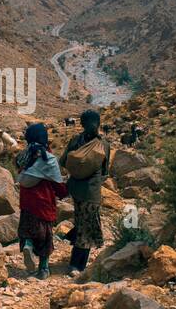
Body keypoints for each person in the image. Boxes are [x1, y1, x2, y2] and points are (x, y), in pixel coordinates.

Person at [61, 108, 111, 277]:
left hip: (75, 189)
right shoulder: (104, 144)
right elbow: (105, 171)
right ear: (98, 123)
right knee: (87, 226)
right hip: (92, 191)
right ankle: (77, 265)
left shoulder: (75, 140)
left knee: (82, 222)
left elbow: (63, 161)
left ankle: (73, 244)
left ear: (81, 124)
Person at [15, 122, 67, 280]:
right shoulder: (48, 157)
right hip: (43, 202)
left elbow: (21, 173)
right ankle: (43, 268)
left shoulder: (23, 155)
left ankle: (28, 246)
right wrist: (65, 192)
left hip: (26, 201)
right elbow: (56, 183)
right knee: (45, 236)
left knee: (28, 231)